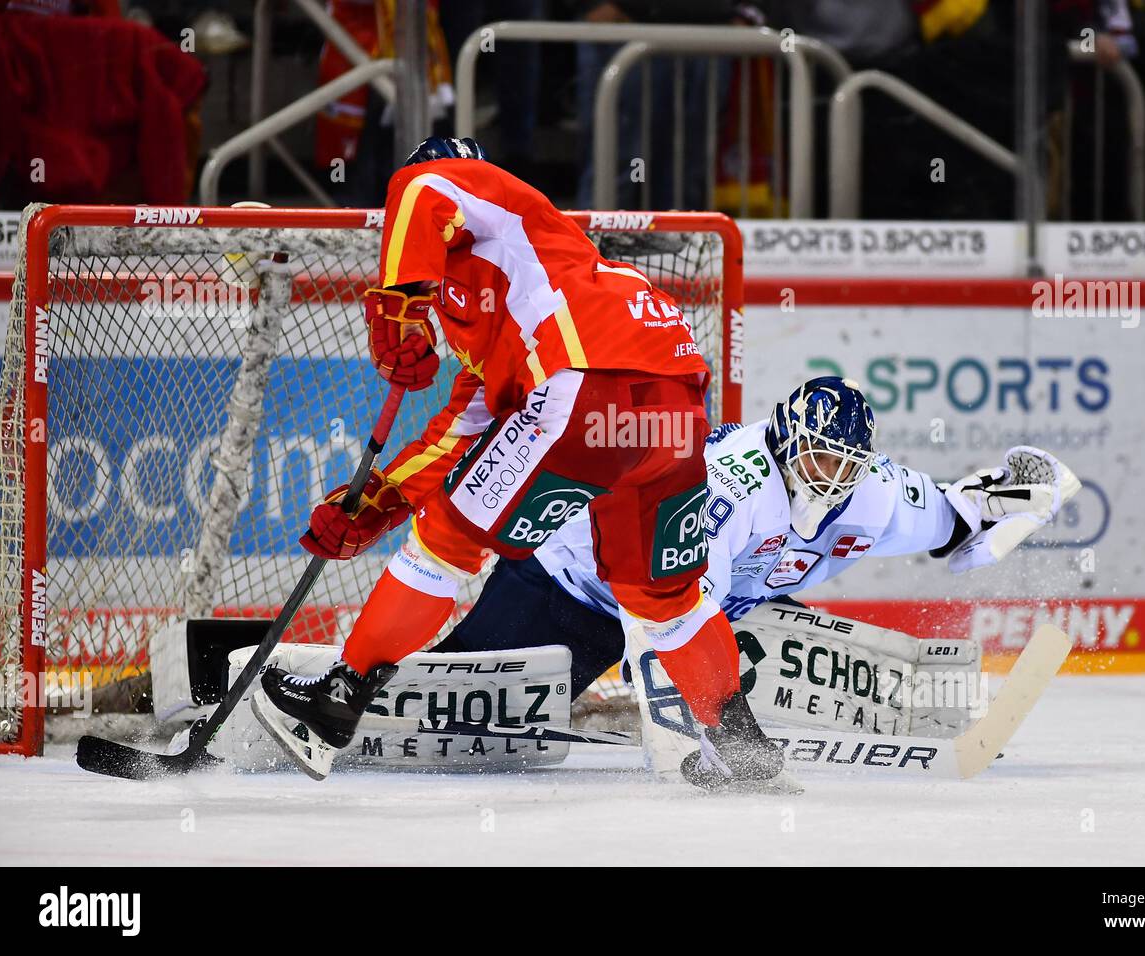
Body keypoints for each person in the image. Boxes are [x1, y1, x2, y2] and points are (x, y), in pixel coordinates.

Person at [250, 136, 778, 787]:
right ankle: (743, 746)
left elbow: (421, 190)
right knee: (663, 597)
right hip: (671, 416)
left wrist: (398, 305)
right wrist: (380, 501)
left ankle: (337, 703)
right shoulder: (515, 305)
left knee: (445, 544)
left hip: (586, 383)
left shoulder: (487, 201)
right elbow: (457, 431)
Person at [433, 377, 1076, 788]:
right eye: (822, 457)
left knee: (781, 639)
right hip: (576, 585)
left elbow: (952, 518)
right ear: (787, 440)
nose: (834, 476)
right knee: (474, 728)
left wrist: (1016, 496)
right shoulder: (729, 485)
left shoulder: (873, 493)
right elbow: (672, 615)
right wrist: (704, 740)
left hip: (723, 609)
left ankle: (919, 705)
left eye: (849, 463)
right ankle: (365, 685)